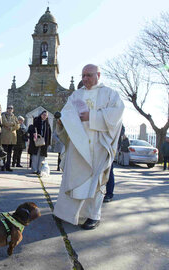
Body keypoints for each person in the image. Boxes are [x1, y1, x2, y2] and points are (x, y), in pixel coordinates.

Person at [53, 64, 124, 230]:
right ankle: (66, 213)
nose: (85, 79)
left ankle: (93, 216)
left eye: (89, 75)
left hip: (98, 145)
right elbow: (67, 113)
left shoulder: (110, 94)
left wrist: (92, 116)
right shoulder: (76, 95)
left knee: (95, 182)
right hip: (78, 145)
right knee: (72, 179)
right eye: (83, 75)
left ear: (98, 74)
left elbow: (117, 114)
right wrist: (62, 122)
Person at [104, 125, 125, 203]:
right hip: (100, 148)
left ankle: (109, 194)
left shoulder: (117, 122)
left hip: (110, 149)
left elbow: (120, 133)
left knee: (109, 172)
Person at [0, 105, 19, 171]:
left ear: (13, 110)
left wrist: (12, 127)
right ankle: (3, 166)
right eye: (9, 108)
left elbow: (18, 126)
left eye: (11, 108)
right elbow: (5, 123)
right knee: (3, 152)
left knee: (10, 153)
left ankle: (8, 166)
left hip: (12, 137)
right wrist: (13, 124)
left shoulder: (15, 117)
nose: (10, 109)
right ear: (6, 109)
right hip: (5, 136)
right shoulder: (3, 116)